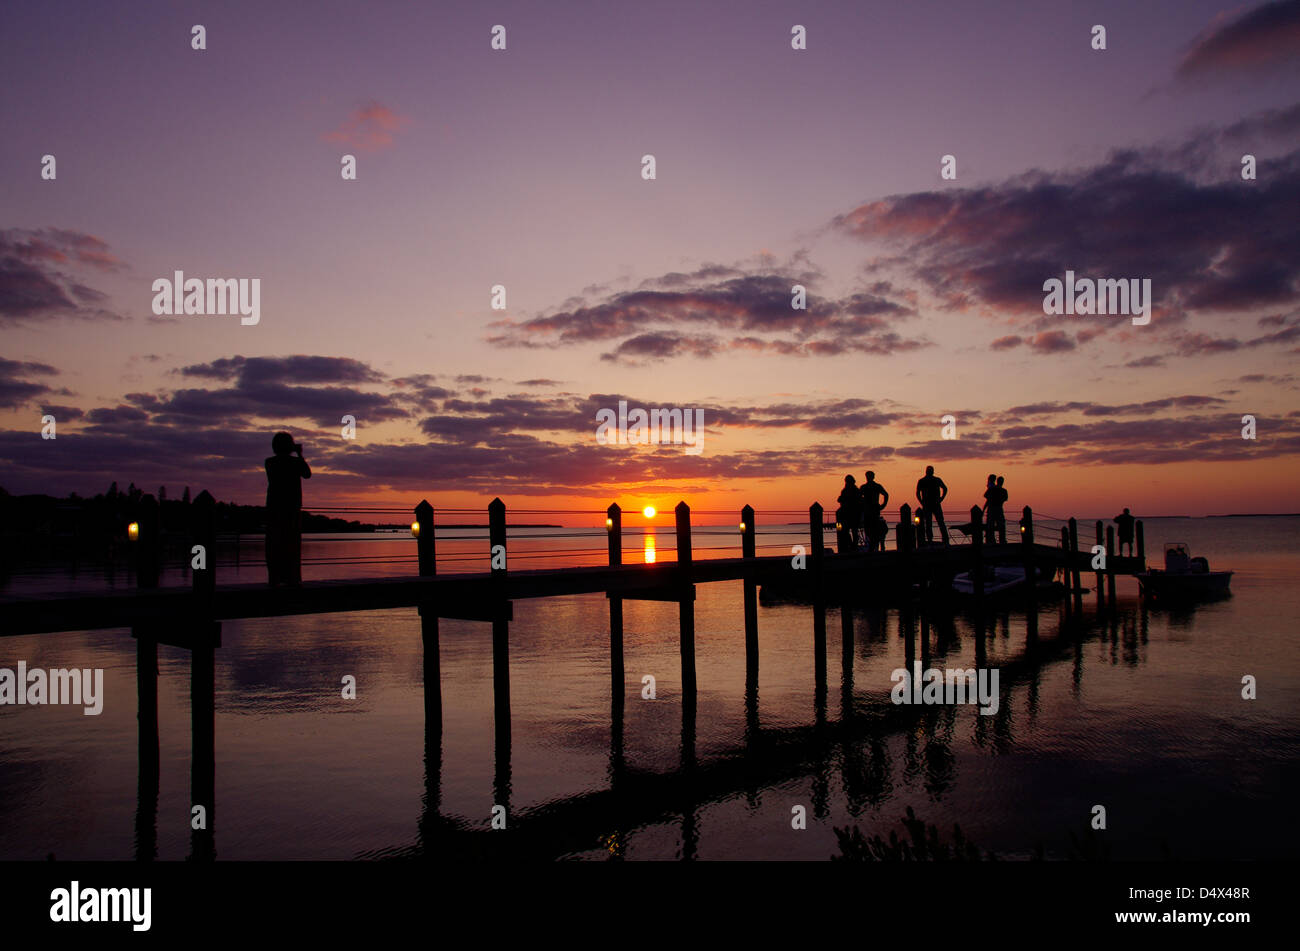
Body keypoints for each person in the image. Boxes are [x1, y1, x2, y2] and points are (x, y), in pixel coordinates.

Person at [265, 432, 311, 586]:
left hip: (274, 509)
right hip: (291, 509)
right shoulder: (295, 463)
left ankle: (275, 579)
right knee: (291, 546)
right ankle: (292, 579)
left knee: (274, 546)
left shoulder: (269, 462)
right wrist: (299, 454)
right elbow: (307, 474)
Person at [915, 465, 949, 546]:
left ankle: (934, 540)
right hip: (933, 504)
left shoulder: (923, 481)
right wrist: (941, 498)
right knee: (936, 523)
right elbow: (945, 488)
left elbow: (945, 489)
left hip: (930, 504)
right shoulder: (934, 480)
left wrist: (922, 502)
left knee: (932, 523)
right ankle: (943, 540)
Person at [860, 470, 889, 552]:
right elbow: (886, 495)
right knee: (870, 529)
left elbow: (886, 495)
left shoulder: (865, 487)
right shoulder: (874, 486)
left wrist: (883, 505)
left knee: (870, 529)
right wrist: (883, 505)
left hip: (871, 510)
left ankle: (872, 546)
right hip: (872, 510)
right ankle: (873, 545)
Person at [837, 474, 862, 551]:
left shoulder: (855, 491)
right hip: (846, 515)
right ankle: (851, 546)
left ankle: (853, 546)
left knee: (851, 531)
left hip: (852, 515)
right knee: (842, 530)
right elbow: (840, 500)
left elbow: (841, 500)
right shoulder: (846, 490)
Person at [992, 475, 1008, 544]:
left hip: (993, 509)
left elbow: (987, 496)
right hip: (998, 509)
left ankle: (993, 540)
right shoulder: (1003, 491)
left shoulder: (993, 489)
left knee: (992, 526)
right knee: (1001, 525)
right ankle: (1001, 540)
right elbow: (1005, 499)